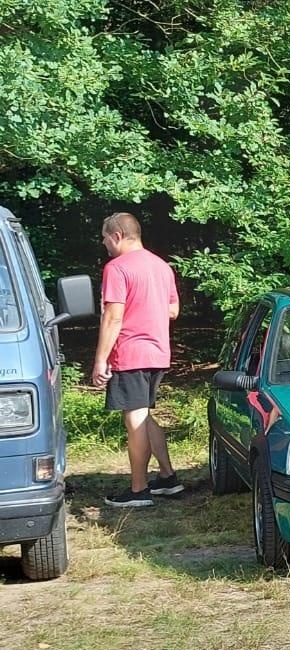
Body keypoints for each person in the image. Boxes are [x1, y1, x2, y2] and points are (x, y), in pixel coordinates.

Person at [93, 213, 183, 508]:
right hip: (158, 353)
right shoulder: (161, 266)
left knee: (134, 419)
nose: (104, 243)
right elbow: (173, 311)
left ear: (117, 236)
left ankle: (138, 490)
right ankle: (168, 478)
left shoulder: (117, 268)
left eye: (105, 238)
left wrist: (100, 360)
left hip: (131, 353)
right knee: (143, 415)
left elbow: (113, 317)